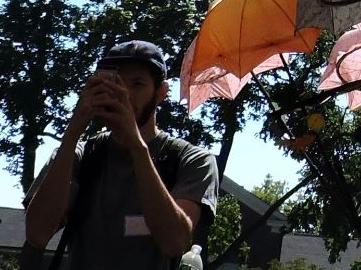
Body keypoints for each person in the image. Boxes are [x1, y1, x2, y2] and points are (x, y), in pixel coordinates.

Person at [22, 40, 218, 270]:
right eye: (115, 82)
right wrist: (73, 132)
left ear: (160, 93)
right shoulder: (78, 155)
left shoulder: (191, 159)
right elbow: (37, 235)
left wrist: (136, 147)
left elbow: (174, 242)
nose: (123, 94)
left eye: (137, 84)